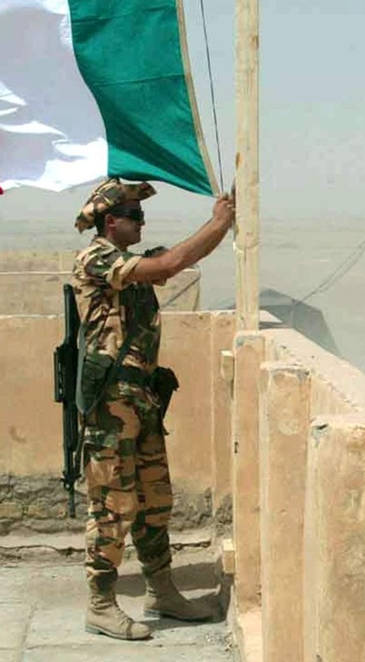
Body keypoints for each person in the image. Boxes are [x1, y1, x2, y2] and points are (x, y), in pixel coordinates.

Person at [72, 177, 235, 641]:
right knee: (112, 505)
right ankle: (101, 604)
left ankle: (161, 590)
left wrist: (222, 225)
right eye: (134, 216)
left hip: (140, 399)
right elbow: (170, 262)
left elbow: (169, 265)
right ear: (111, 222)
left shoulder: (132, 262)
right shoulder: (97, 258)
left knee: (154, 500)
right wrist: (218, 220)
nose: (142, 221)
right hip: (111, 404)